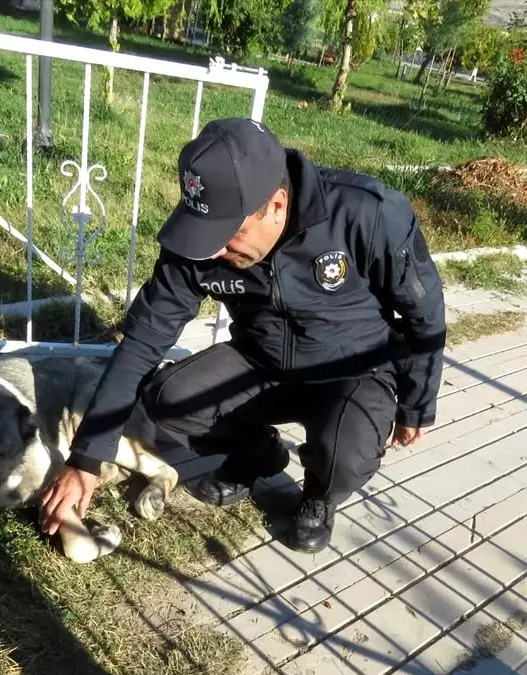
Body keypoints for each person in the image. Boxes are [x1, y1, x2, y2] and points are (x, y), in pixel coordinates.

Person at [39, 118, 446, 554]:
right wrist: (86, 459)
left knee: (346, 454)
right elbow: (142, 342)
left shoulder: (367, 212)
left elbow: (424, 312)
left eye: (229, 235)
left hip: (354, 371)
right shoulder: (199, 239)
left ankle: (319, 496)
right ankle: (257, 456)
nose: (213, 251)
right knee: (167, 399)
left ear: (276, 204)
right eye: (205, 233)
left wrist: (417, 405)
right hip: (260, 363)